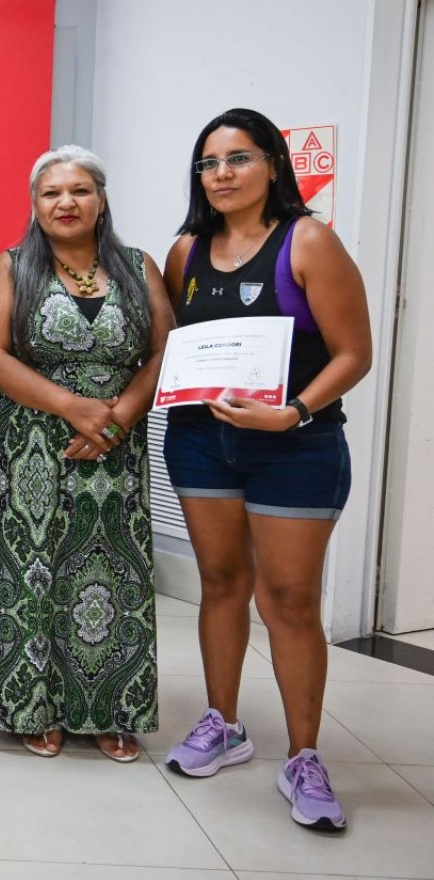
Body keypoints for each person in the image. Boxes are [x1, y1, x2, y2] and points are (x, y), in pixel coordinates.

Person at [160, 109, 372, 832]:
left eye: (238, 159)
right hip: (198, 442)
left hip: (296, 446)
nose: (221, 174)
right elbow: (175, 348)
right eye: (209, 163)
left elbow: (354, 353)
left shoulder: (309, 241)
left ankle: (304, 755)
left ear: (273, 165)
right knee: (221, 583)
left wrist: (295, 413)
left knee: (288, 600)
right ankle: (223, 723)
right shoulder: (185, 251)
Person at [0, 145, 173, 762]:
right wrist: (72, 406)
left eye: (80, 190)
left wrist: (120, 415)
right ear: (35, 204)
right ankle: (32, 702)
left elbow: (165, 350)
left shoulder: (139, 266)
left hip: (116, 443)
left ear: (101, 199)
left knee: (110, 567)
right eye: (51, 192)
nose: (66, 202)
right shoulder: (11, 267)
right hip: (29, 446)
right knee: (29, 570)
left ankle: (110, 707)